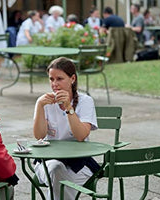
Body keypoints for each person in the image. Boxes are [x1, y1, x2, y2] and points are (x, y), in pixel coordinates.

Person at [33, 57, 99, 200]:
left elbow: (81, 135)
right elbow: (39, 136)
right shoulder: (45, 102)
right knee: (56, 169)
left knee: (59, 181)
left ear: (72, 78)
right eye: (51, 79)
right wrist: (39, 106)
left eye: (59, 79)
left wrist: (69, 107)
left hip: (79, 163)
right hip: (49, 161)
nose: (54, 84)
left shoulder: (85, 101)